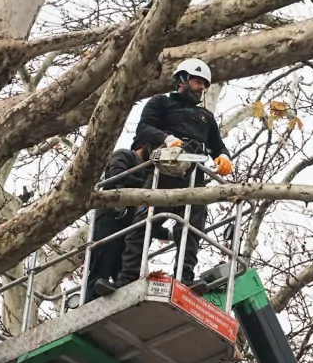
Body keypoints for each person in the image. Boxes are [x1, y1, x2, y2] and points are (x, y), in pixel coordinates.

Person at [96, 58, 233, 297]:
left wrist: (223, 156)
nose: (201, 88)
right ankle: (126, 277)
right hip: (161, 174)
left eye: (204, 84)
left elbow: (217, 145)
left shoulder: (205, 117)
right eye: (197, 81)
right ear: (182, 80)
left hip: (194, 179)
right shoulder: (160, 102)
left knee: (190, 229)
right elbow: (144, 129)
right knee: (143, 223)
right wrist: (168, 139)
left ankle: (185, 277)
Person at [84, 143, 164, 303]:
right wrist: (146, 185)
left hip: (129, 227)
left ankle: (121, 298)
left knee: (126, 270)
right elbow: (116, 176)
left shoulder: (151, 172)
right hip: (111, 218)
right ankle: (91, 299)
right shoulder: (124, 155)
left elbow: (146, 217)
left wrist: (167, 233)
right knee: (103, 262)